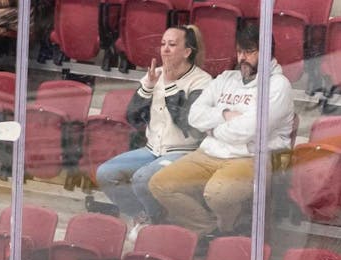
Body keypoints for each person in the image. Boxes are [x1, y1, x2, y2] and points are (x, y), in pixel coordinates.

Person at [147, 21, 294, 239]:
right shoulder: (227, 78)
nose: (242, 57)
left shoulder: (278, 85)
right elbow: (195, 115)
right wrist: (224, 115)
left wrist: (213, 130)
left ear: (267, 53)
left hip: (251, 157)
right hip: (209, 153)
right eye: (239, 51)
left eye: (249, 51)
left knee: (217, 194)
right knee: (160, 184)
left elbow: (249, 130)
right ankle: (211, 230)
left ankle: (227, 229)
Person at [96, 26, 212, 227]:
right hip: (152, 150)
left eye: (172, 44)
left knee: (142, 179)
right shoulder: (154, 74)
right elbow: (132, 118)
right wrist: (148, 86)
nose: (165, 49)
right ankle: (144, 216)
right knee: (106, 173)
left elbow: (187, 123)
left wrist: (169, 85)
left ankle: (156, 221)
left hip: (184, 152)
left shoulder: (202, 81)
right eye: (163, 44)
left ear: (187, 52)